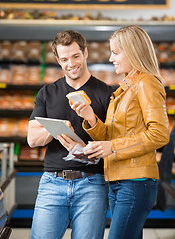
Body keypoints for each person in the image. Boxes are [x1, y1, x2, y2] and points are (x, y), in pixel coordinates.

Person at [62, 25, 170, 239]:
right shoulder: (125, 88)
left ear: (132, 51)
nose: (111, 58)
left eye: (115, 52)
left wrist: (112, 146)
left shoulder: (146, 83)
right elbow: (112, 137)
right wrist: (90, 117)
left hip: (136, 182)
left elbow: (159, 133)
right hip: (119, 179)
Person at [27, 30, 113, 239]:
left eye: (75, 56)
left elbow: (114, 141)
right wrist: (55, 129)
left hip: (93, 184)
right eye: (64, 59)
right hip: (52, 182)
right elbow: (32, 140)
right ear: (57, 60)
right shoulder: (47, 93)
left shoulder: (107, 93)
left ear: (85, 53)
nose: (71, 64)